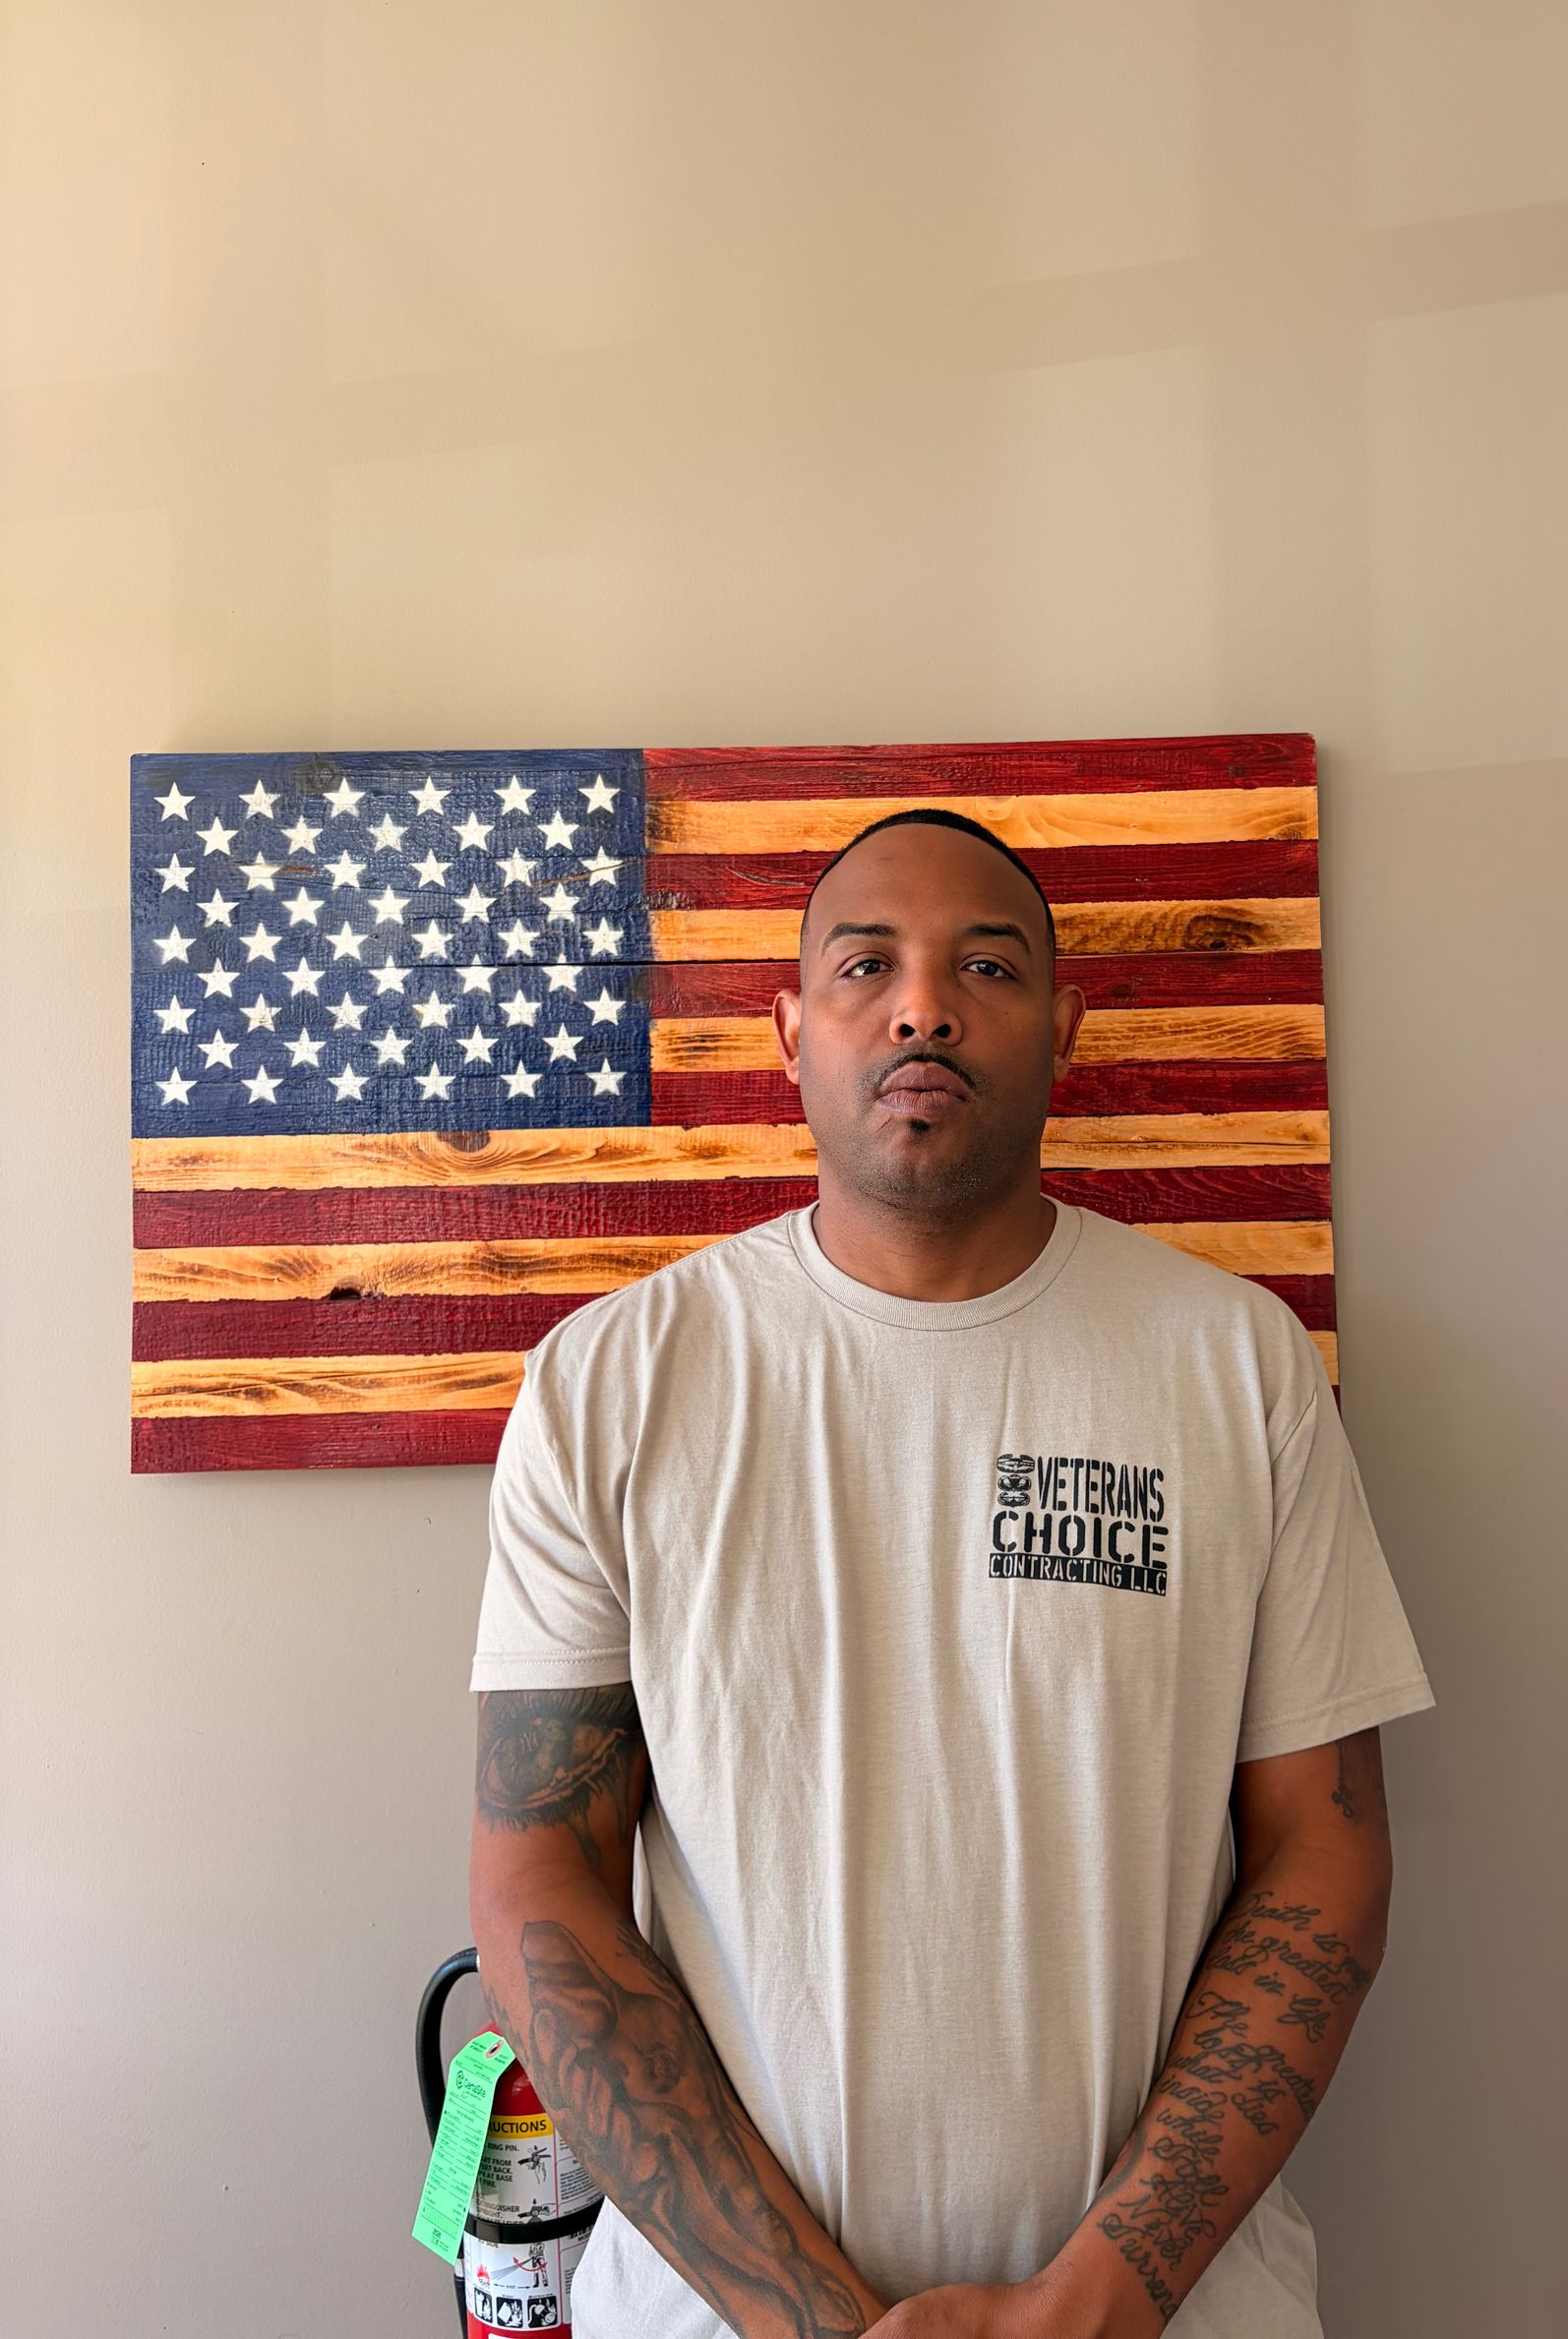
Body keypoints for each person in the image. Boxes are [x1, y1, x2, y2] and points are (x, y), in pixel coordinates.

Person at [467, 809, 1436, 2339]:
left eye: (986, 964)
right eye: (866, 966)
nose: (922, 1006)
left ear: (1065, 1026)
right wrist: (817, 2322)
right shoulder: (613, 1384)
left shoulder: (1232, 1362)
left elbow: (1325, 1856)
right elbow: (542, 1881)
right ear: (790, 1032)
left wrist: (1100, 2301)